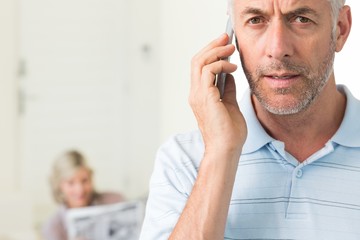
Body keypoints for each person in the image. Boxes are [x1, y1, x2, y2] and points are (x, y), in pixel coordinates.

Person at [140, 0, 360, 239]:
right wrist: (220, 152)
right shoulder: (183, 161)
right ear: (233, 33)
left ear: (340, 28)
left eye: (301, 19)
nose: (277, 48)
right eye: (255, 20)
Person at [42, 150, 125, 240]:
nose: (80, 190)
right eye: (71, 183)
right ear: (59, 185)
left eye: (84, 180)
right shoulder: (53, 228)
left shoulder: (116, 201)